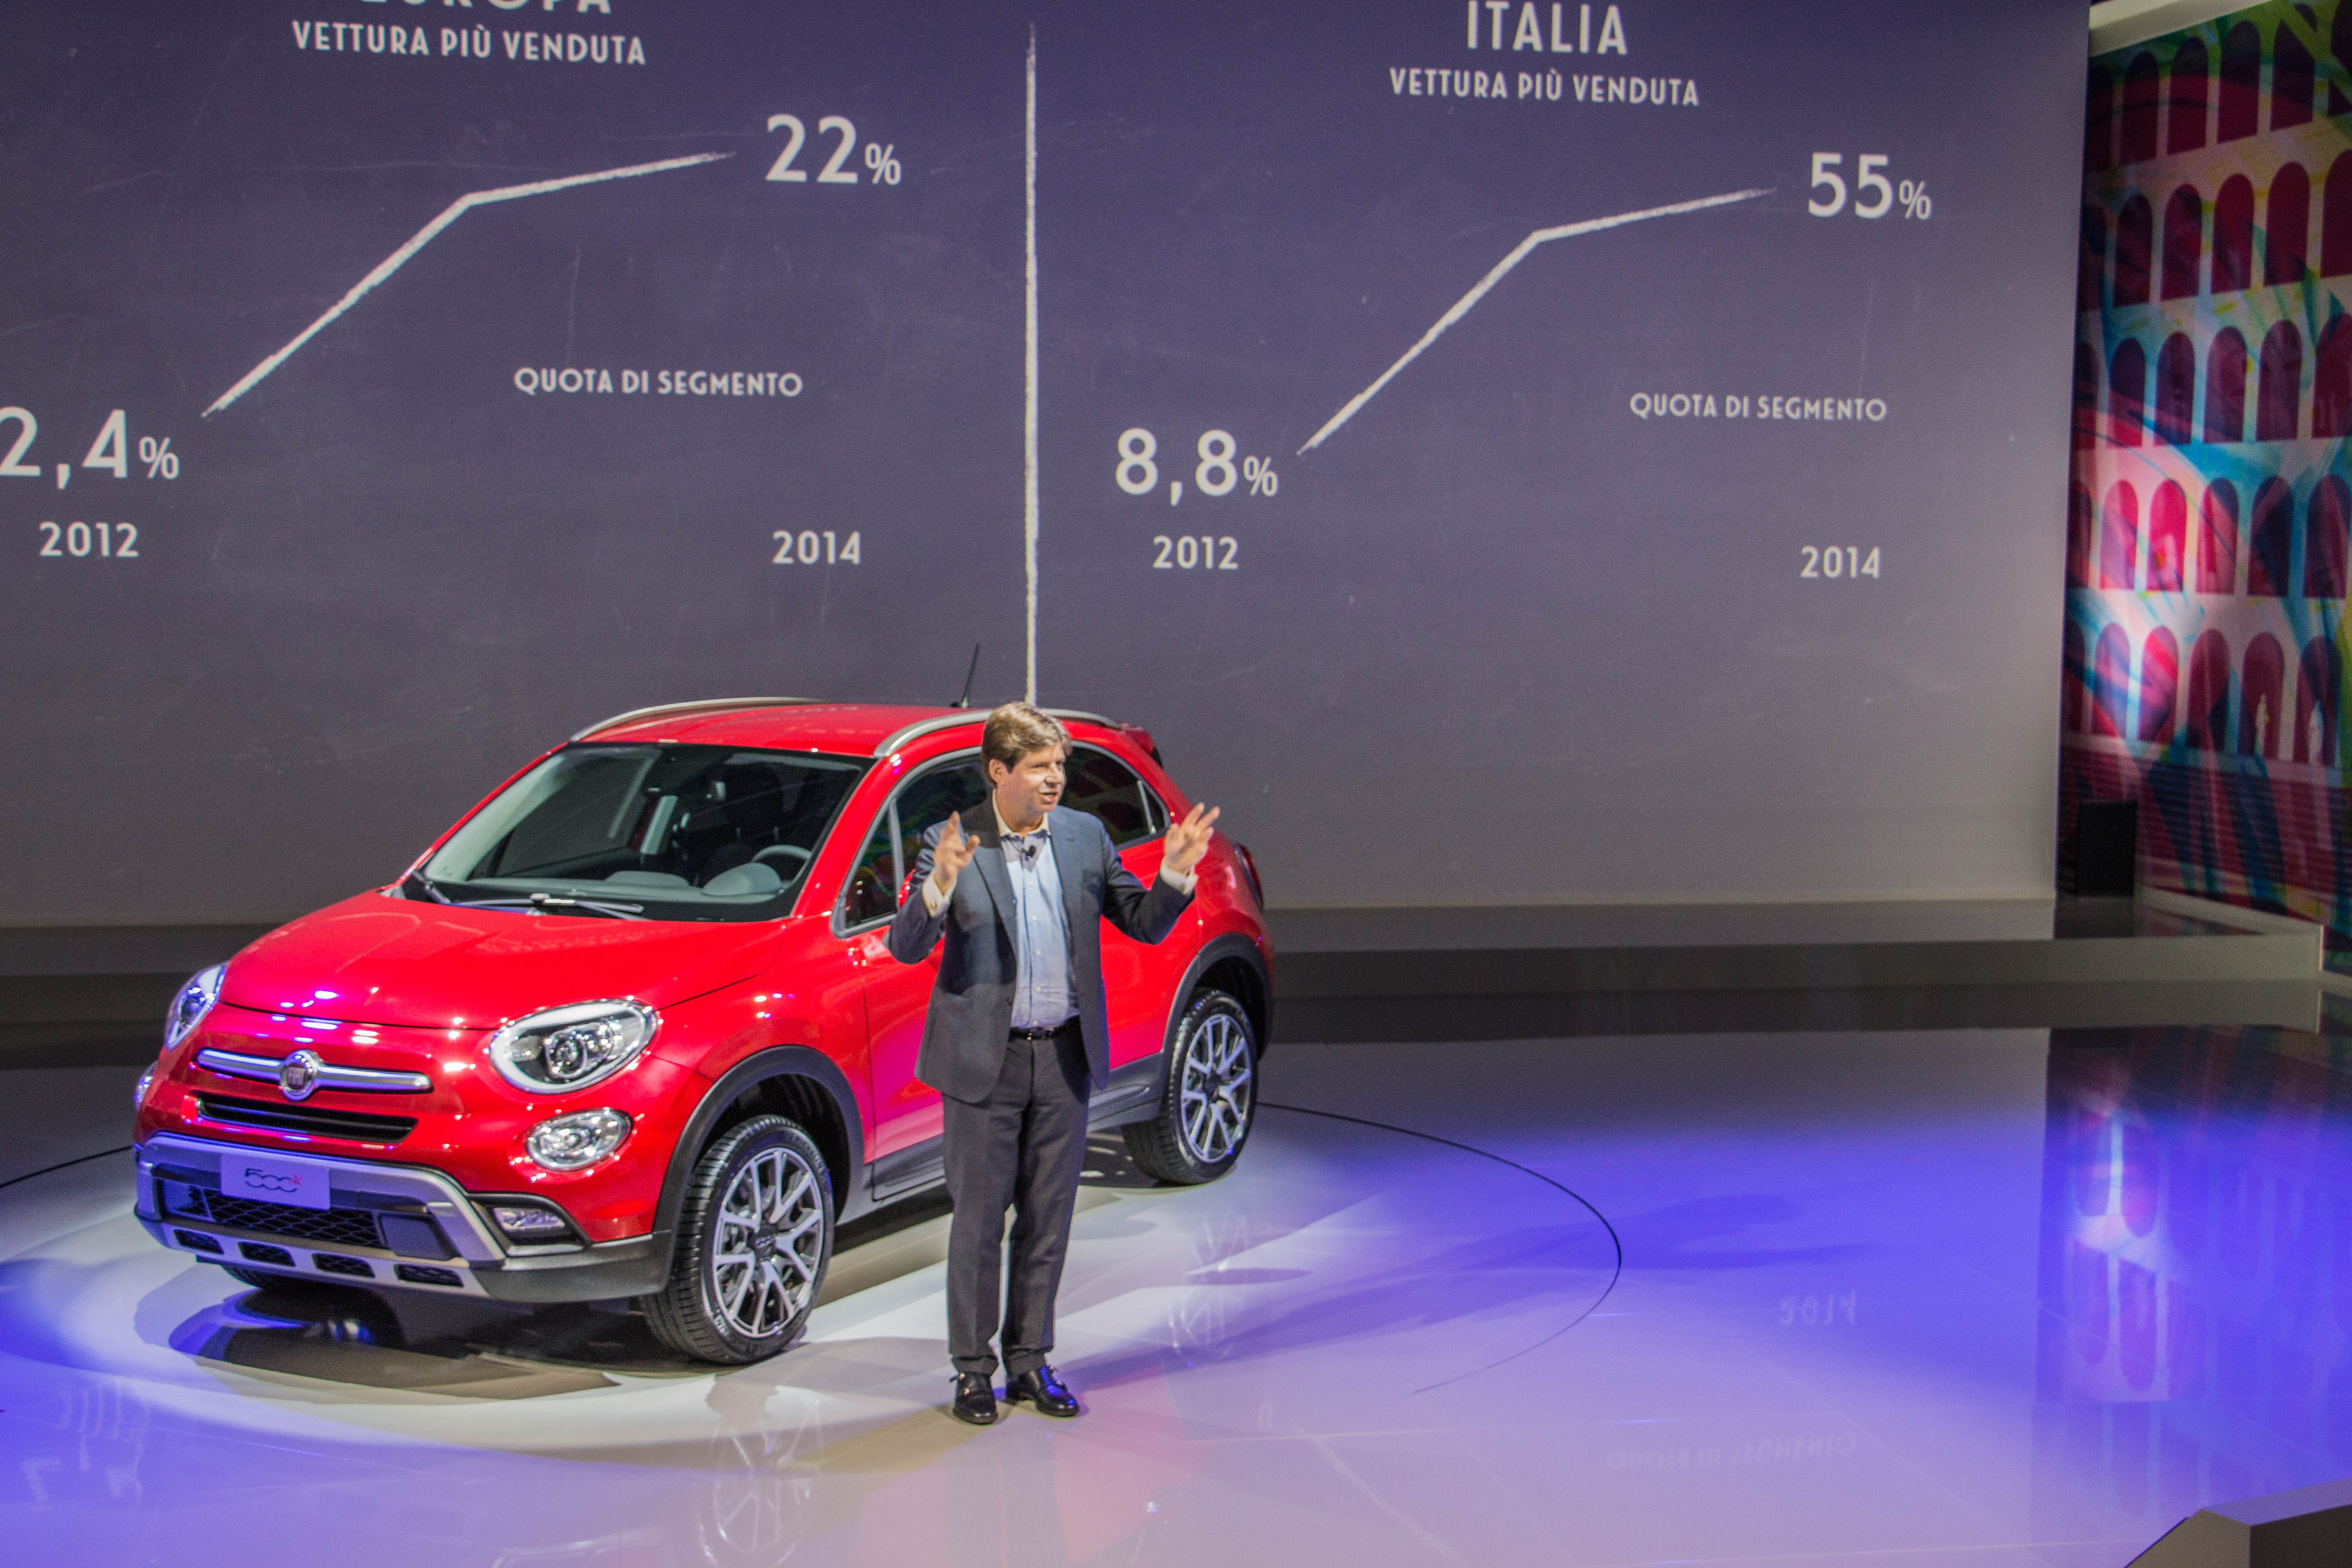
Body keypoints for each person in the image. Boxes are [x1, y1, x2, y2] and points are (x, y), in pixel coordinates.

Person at [887, 701, 1220, 1425]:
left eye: (1060, 766)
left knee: (1049, 1221)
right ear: (998, 770)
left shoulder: (1084, 836)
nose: (1054, 779)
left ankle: (1030, 1361)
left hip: (1064, 1056)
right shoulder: (951, 842)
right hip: (987, 1063)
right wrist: (938, 885)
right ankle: (973, 1371)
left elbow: (1142, 924)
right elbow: (905, 947)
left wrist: (1173, 875)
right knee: (980, 1224)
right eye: (1039, 767)